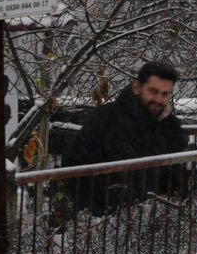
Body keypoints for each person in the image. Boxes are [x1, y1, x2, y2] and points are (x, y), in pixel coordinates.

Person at [67, 60, 190, 214]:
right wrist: (98, 209)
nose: (158, 99)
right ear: (137, 87)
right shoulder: (104, 119)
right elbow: (75, 166)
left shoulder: (170, 127)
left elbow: (178, 177)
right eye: (153, 91)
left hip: (154, 222)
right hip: (105, 221)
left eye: (165, 94)